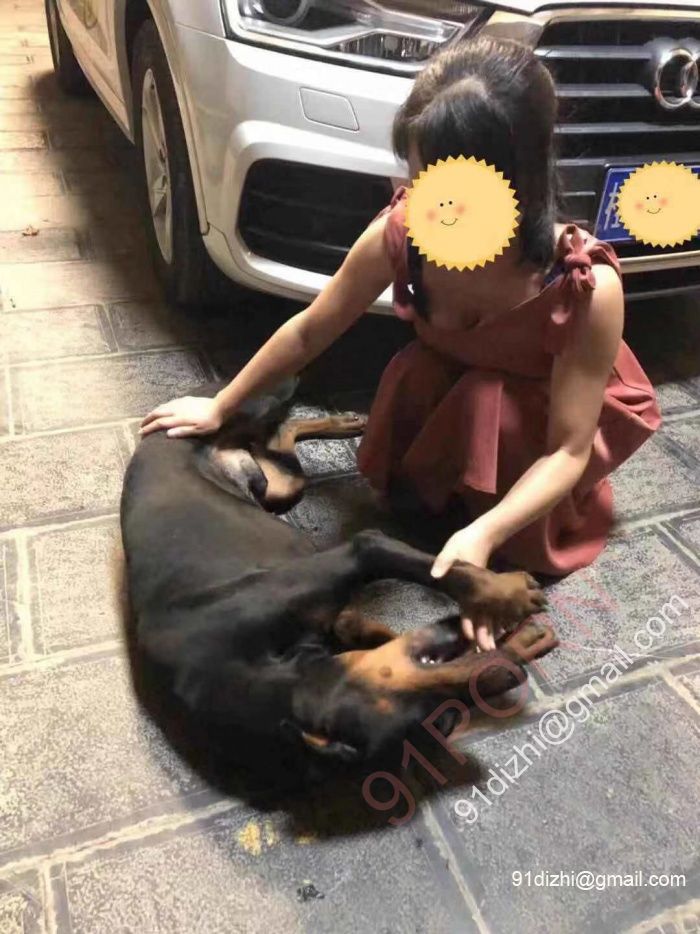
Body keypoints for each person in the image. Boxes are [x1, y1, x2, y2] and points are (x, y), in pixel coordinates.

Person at [140, 36, 661, 651]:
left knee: (498, 436)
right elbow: (310, 329)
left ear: (519, 183)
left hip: (535, 429)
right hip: (444, 391)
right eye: (420, 178)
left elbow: (568, 449)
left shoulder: (582, 286)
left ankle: (490, 511)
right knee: (426, 410)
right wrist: (222, 405)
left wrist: (486, 534)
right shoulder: (406, 230)